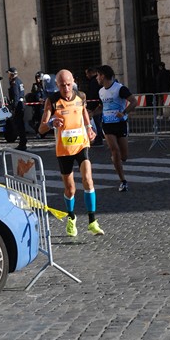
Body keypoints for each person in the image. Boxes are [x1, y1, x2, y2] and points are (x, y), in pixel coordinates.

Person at [38, 69, 104, 237]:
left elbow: (83, 113)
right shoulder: (52, 101)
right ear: (57, 85)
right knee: (70, 189)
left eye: (68, 84)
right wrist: (52, 122)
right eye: (62, 85)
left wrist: (90, 128)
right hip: (64, 150)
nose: (66, 88)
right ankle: (72, 217)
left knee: (88, 179)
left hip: (81, 145)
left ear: (73, 81)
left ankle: (92, 221)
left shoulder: (80, 96)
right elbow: (41, 128)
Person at [96, 65, 137, 192]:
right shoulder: (101, 91)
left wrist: (124, 112)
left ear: (103, 76)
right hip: (107, 124)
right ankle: (123, 180)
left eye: (98, 75)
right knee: (115, 150)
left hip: (120, 123)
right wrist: (92, 113)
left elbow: (134, 102)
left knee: (123, 156)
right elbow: (102, 106)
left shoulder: (120, 88)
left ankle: (117, 159)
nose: (97, 78)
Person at [7, 66, 27, 151]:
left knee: (19, 125)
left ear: (11, 74)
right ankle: (23, 142)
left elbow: (16, 96)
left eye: (9, 74)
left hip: (18, 106)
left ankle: (22, 143)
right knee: (20, 125)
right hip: (21, 105)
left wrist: (14, 108)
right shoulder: (19, 81)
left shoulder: (14, 83)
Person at [85, 66, 104, 145]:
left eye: (87, 74)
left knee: (96, 123)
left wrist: (90, 108)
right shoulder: (95, 81)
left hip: (95, 106)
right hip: (98, 105)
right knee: (98, 123)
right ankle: (100, 136)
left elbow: (93, 94)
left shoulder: (93, 82)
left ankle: (98, 139)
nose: (86, 76)